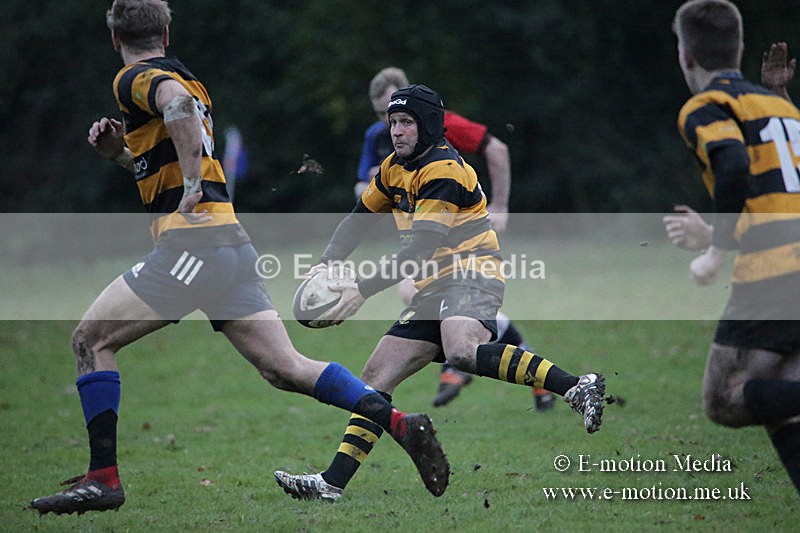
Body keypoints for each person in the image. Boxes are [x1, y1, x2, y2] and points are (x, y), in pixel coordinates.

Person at [28, 0, 450, 516]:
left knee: (90, 341)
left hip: (191, 247)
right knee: (286, 369)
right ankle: (401, 424)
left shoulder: (138, 77)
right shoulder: (192, 81)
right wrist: (121, 154)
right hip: (229, 246)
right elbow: (173, 146)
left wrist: (187, 186)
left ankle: (102, 480)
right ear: (167, 29)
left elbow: (177, 109)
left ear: (114, 38)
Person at [274, 84, 605, 501]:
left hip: (472, 272)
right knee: (375, 377)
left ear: (428, 124)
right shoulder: (394, 167)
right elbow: (358, 218)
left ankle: (577, 386)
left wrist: (362, 288)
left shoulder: (444, 170)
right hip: (434, 287)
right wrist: (327, 262)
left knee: (462, 349)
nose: (396, 132)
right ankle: (331, 484)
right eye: (393, 123)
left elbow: (420, 249)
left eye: (406, 122)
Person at [360, 67, 554, 409]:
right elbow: (363, 188)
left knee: (422, 293)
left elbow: (497, 149)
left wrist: (501, 204)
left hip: (461, 234)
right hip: (418, 241)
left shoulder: (444, 125)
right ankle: (489, 358)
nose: (387, 121)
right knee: (431, 299)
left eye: (392, 111)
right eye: (381, 113)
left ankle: (459, 362)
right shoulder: (379, 136)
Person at [671, 0, 800, 494]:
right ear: (740, 48)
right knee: (780, 400)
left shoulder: (705, 107)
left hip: (774, 273)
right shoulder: (779, 104)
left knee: (724, 399)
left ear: (685, 56)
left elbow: (732, 165)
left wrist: (715, 251)